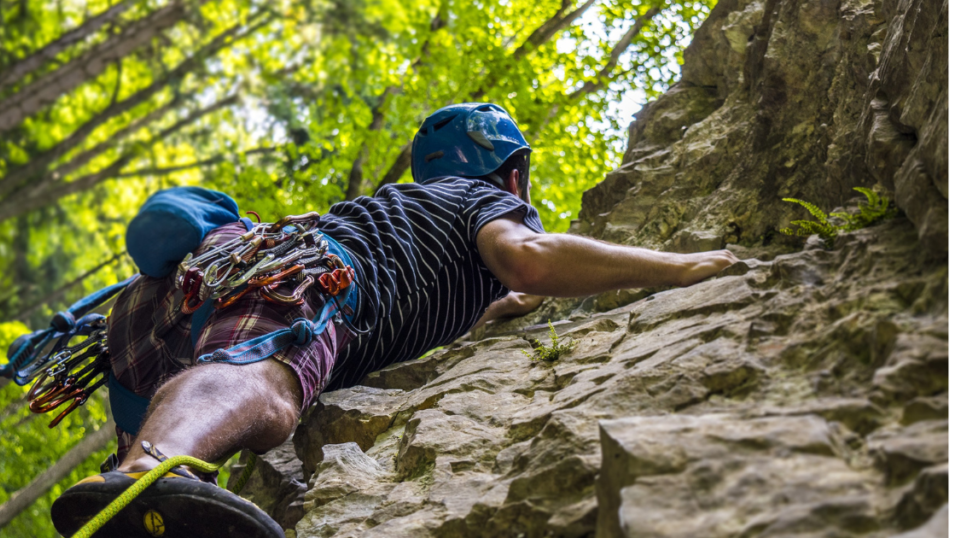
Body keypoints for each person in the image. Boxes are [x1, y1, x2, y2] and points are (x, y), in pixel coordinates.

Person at [51, 103, 738, 537]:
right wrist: (680, 267)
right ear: (510, 175)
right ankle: (154, 468)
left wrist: (507, 307)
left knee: (173, 430)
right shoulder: (479, 200)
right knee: (266, 385)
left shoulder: (418, 228)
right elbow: (528, 261)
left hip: (168, 306)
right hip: (304, 274)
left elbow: (490, 297)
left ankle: (133, 474)